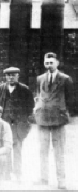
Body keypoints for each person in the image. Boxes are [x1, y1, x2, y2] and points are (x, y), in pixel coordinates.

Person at [34, 52, 75, 189]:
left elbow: (71, 100)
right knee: (42, 150)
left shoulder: (65, 79)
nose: (49, 65)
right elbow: (38, 96)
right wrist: (37, 109)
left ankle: (61, 180)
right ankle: (44, 178)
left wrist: (66, 114)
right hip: (43, 119)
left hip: (58, 119)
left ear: (57, 63)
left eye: (52, 62)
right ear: (44, 63)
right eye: (47, 63)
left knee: (59, 151)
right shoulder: (40, 78)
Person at [0, 67, 34, 181]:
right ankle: (6, 174)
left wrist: (23, 121)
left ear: (18, 76)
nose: (11, 77)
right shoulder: (0, 89)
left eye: (13, 75)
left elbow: (30, 107)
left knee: (17, 150)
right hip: (4, 124)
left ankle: (18, 174)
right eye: (8, 75)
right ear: (5, 77)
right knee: (5, 149)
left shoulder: (25, 89)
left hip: (18, 125)